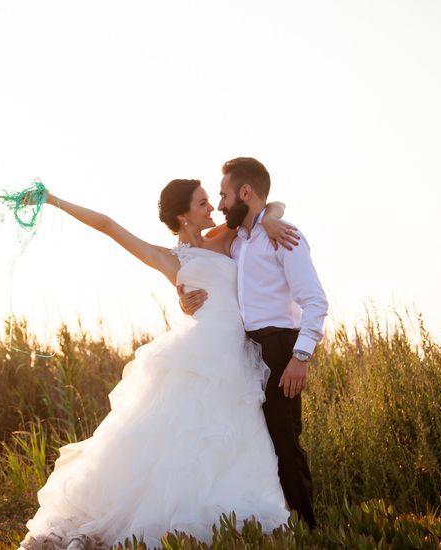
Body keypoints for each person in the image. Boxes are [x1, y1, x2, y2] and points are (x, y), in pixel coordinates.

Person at [18, 180, 299, 549]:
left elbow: (269, 205)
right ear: (183, 214)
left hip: (235, 356)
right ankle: (165, 525)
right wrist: (52, 200)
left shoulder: (224, 237)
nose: (212, 207)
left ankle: (227, 522)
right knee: (180, 438)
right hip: (197, 352)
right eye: (202, 203)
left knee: (233, 438)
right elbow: (107, 224)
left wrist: (274, 218)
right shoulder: (170, 259)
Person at [179, 158, 328, 529]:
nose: (221, 204)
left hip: (280, 348)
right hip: (245, 351)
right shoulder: (239, 243)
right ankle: (270, 523)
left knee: (285, 441)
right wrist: (186, 302)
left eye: (224, 195)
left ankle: (308, 526)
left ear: (245, 193)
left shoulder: (284, 237)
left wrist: (301, 356)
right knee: (256, 442)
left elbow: (315, 301)